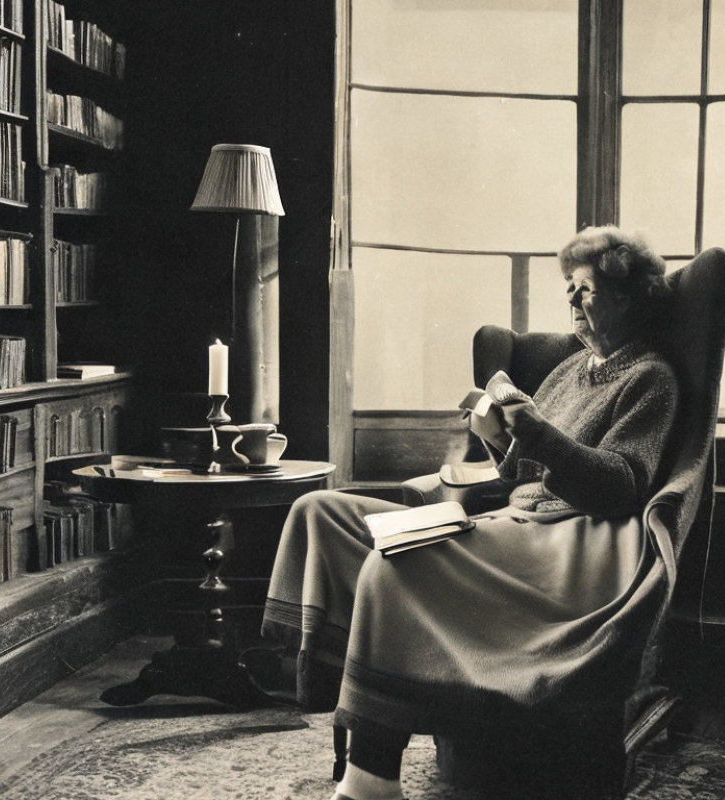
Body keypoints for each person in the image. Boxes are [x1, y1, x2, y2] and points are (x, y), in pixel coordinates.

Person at [254, 226, 679, 800]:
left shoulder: (651, 378)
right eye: (569, 290)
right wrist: (498, 438)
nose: (572, 301)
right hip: (517, 521)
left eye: (585, 289)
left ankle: (371, 777)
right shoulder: (567, 371)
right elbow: (521, 474)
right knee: (319, 511)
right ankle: (328, 690)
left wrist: (533, 429)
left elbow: (619, 486)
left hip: (569, 544)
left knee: (393, 561)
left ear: (626, 297)